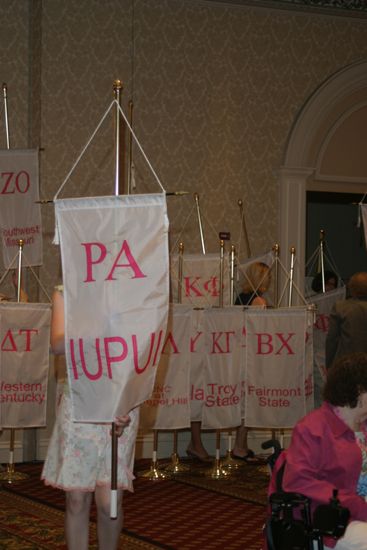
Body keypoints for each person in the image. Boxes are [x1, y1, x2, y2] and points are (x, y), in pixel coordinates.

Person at [42, 286, 139, 550]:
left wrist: (128, 400)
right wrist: (97, 319)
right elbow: (58, 343)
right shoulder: (64, 292)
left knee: (110, 504)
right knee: (76, 499)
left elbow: (142, 348)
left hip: (119, 400)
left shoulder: (131, 288)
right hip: (79, 402)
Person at [268, 352, 367, 549]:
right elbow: (297, 481)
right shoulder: (313, 428)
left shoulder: (363, 425)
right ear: (358, 391)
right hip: (331, 520)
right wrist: (353, 503)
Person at [233, 261, 271, 461]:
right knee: (249, 402)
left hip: (239, 354)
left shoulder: (240, 298)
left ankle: (242, 445)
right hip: (253, 355)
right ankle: (240, 446)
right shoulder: (258, 301)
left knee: (243, 401)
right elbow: (261, 331)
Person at [325, 271, 367, 369]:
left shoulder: (340, 308)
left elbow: (332, 340)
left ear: (351, 288)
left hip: (347, 366)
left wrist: (329, 365)